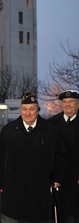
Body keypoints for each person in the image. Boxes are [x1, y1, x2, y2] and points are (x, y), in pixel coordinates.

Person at [0, 92, 67, 223]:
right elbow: (0, 157)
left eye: (32, 109)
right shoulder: (8, 131)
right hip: (13, 189)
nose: (27, 113)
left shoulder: (51, 130)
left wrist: (57, 178)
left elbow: (60, 155)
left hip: (41, 189)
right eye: (24, 109)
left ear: (38, 109)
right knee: (11, 217)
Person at [49, 90, 79, 223]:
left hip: (77, 176)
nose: (67, 105)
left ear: (77, 104)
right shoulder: (52, 123)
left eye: (71, 102)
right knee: (59, 213)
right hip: (59, 177)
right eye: (65, 102)